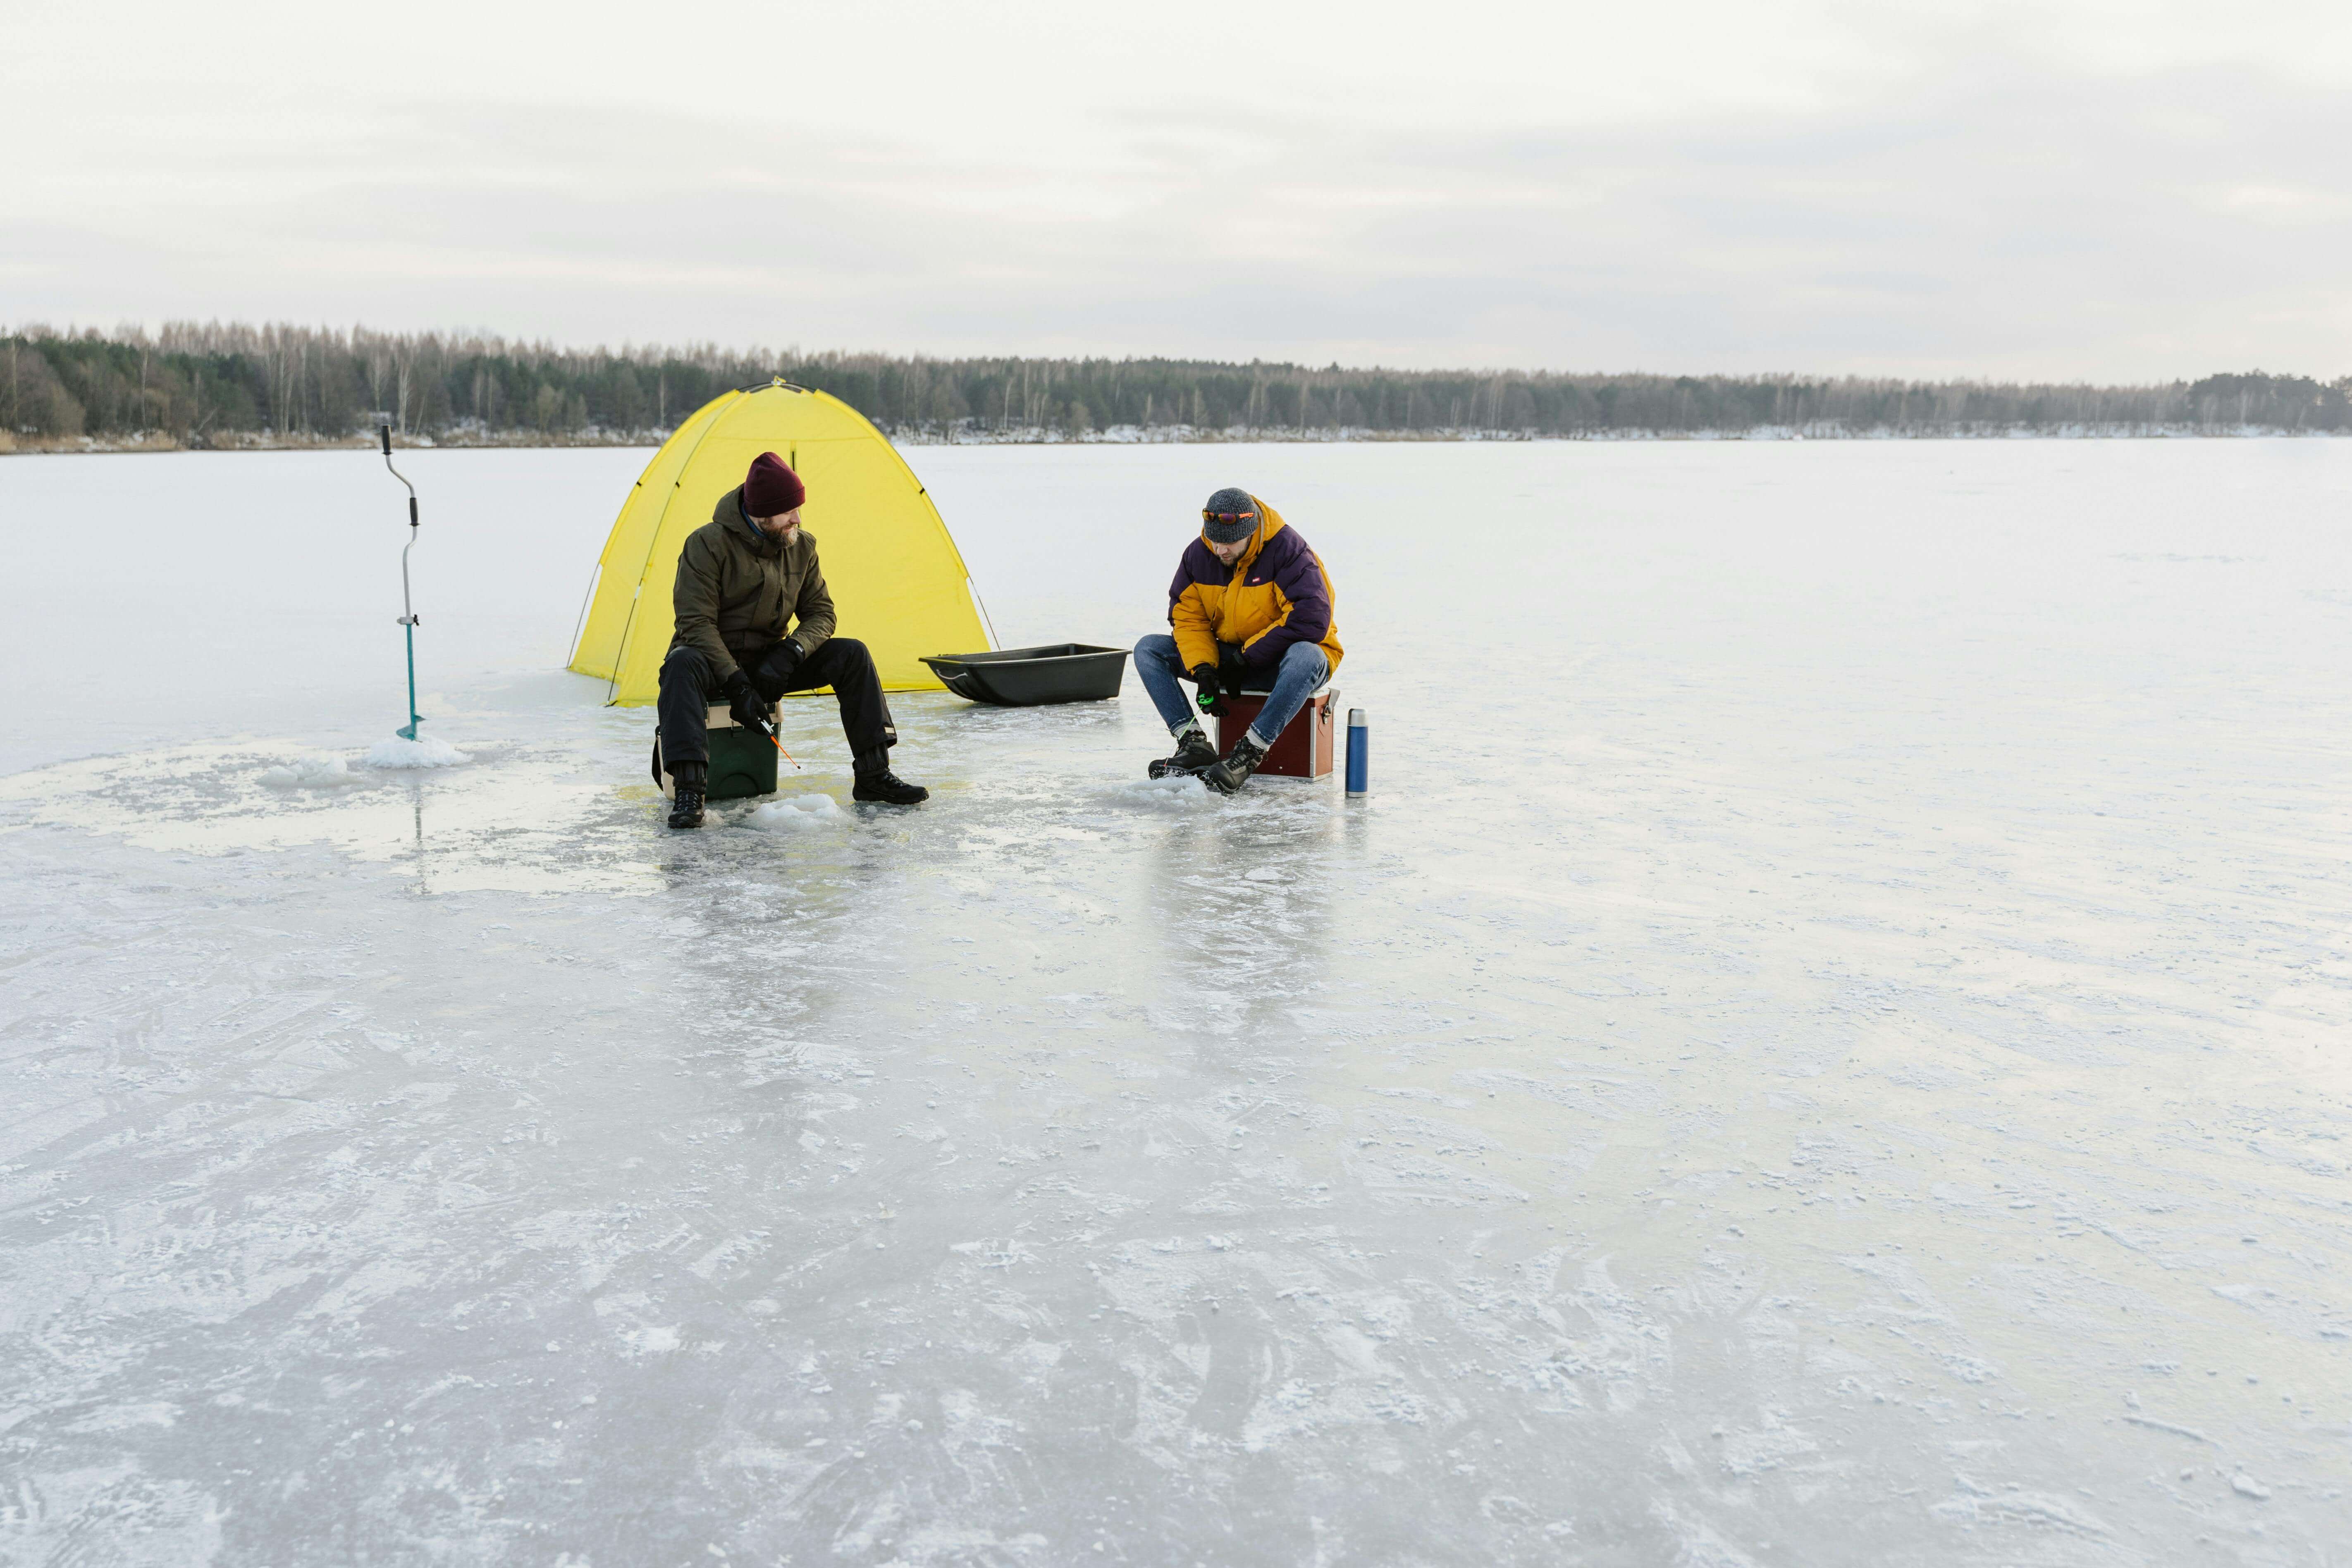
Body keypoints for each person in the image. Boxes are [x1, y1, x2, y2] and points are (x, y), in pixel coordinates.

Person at [657, 452, 928, 828]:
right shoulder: (706, 544)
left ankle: (873, 775)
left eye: (798, 508)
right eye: (788, 511)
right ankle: (690, 791)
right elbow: (694, 622)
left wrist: (791, 651)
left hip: (771, 663)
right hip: (711, 662)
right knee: (680, 663)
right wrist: (735, 681)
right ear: (762, 513)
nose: (797, 518)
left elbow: (822, 613)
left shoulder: (802, 545)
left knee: (852, 654)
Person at [1132, 486, 1343, 794]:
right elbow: (1188, 619)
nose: (1220, 550)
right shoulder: (1198, 554)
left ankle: (1249, 752)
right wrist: (1204, 669)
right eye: (1214, 541)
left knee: (1307, 655)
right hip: (1233, 658)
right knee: (1149, 649)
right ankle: (1193, 744)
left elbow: (1310, 619)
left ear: (1251, 530)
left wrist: (1245, 658)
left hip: (1287, 660)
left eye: (1229, 543)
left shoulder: (1289, 551)